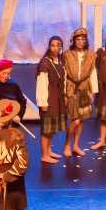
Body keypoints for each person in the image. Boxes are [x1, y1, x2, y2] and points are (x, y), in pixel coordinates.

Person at [63, 28, 97, 157]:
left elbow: (93, 73)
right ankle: (67, 144)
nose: (80, 41)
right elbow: (64, 73)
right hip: (71, 88)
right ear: (74, 40)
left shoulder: (91, 55)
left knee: (81, 119)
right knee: (75, 120)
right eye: (78, 39)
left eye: (83, 39)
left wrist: (93, 92)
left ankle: (76, 145)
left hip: (85, 88)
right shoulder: (67, 54)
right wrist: (64, 92)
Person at [36, 36, 68, 164]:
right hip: (49, 99)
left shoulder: (60, 61)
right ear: (49, 46)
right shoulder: (45, 63)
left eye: (58, 45)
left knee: (52, 128)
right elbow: (41, 84)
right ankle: (44, 155)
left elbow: (64, 80)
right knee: (46, 129)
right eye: (53, 45)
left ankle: (49, 151)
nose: (55, 48)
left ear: (61, 47)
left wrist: (64, 95)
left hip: (58, 99)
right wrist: (43, 102)